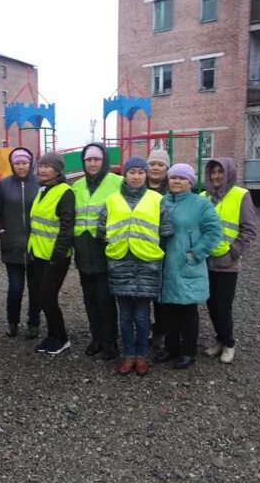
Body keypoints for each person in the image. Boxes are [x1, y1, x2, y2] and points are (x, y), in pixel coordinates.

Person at [98, 156, 173, 376]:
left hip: (147, 264)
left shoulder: (157, 199)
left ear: (146, 175)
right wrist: (115, 241)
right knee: (125, 316)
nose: (137, 176)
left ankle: (141, 356)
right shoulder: (112, 200)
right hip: (120, 262)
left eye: (141, 172)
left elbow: (166, 230)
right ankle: (128, 355)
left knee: (141, 316)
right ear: (125, 174)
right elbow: (101, 228)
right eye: (132, 172)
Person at [156, 164, 221, 369]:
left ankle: (188, 351)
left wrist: (195, 254)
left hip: (186, 264)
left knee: (187, 311)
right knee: (168, 310)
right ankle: (171, 347)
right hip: (165, 265)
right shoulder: (162, 201)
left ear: (191, 182)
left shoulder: (200, 204)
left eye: (182, 178)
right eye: (173, 177)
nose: (176, 181)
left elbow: (214, 232)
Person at [201, 157, 257, 364]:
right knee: (211, 305)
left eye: (220, 172)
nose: (216, 176)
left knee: (223, 305)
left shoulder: (241, 195)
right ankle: (220, 339)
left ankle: (229, 343)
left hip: (227, 264)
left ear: (229, 173)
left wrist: (234, 252)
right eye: (213, 172)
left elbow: (249, 229)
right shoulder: (203, 196)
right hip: (206, 262)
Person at [73, 143, 122, 360]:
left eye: (96, 159)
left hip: (106, 249)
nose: (92, 163)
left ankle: (110, 341)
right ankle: (96, 338)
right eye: (88, 160)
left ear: (104, 161)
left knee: (105, 299)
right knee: (89, 298)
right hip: (83, 251)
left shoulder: (118, 183)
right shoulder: (76, 186)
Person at [28, 152, 75, 355]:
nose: (43, 169)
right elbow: (37, 224)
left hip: (56, 257)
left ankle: (62, 338)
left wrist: (58, 254)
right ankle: (53, 335)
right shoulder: (43, 190)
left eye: (48, 166)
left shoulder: (65, 192)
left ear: (57, 170)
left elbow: (67, 227)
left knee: (48, 297)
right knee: (41, 296)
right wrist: (31, 249)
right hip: (38, 254)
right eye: (41, 166)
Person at [0, 147, 41, 339]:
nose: (21, 167)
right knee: (15, 288)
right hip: (12, 245)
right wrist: (0, 229)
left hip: (36, 245)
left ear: (30, 164)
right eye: (17, 163)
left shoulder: (39, 183)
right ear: (12, 165)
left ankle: (34, 322)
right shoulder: (3, 185)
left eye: (25, 163)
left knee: (35, 289)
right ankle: (13, 322)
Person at [146, 148, 171, 355]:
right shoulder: (136, 187)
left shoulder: (172, 191)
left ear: (167, 168)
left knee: (162, 294)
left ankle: (161, 331)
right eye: (152, 164)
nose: (155, 167)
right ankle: (145, 329)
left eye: (160, 164)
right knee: (144, 291)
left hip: (165, 247)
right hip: (142, 248)